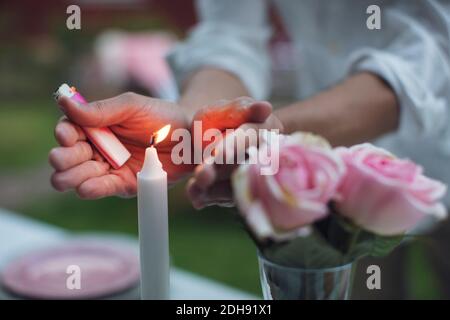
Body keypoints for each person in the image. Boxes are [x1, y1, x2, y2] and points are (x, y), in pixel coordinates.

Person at [49, 0, 450, 298]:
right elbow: (229, 36)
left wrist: (272, 133)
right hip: (330, 187)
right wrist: (196, 120)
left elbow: (435, 51)